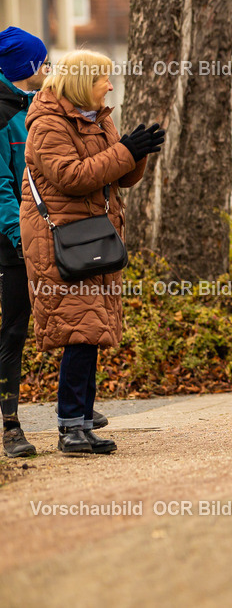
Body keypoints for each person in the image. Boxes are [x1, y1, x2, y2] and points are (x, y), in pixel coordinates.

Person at [21, 49, 163, 454]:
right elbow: (73, 177)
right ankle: (71, 428)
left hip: (92, 236)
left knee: (91, 331)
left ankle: (81, 422)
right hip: (60, 243)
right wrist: (125, 152)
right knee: (80, 332)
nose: (111, 85)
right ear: (83, 81)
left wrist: (137, 153)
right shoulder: (47, 124)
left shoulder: (97, 117)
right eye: (104, 78)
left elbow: (117, 177)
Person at [0, 27, 49, 457]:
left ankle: (78, 411)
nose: (47, 68)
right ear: (26, 67)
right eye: (42, 62)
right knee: (12, 331)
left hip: (43, 235)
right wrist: (19, 236)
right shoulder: (1, 116)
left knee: (63, 317)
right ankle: (11, 426)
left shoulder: (32, 107)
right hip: (10, 244)